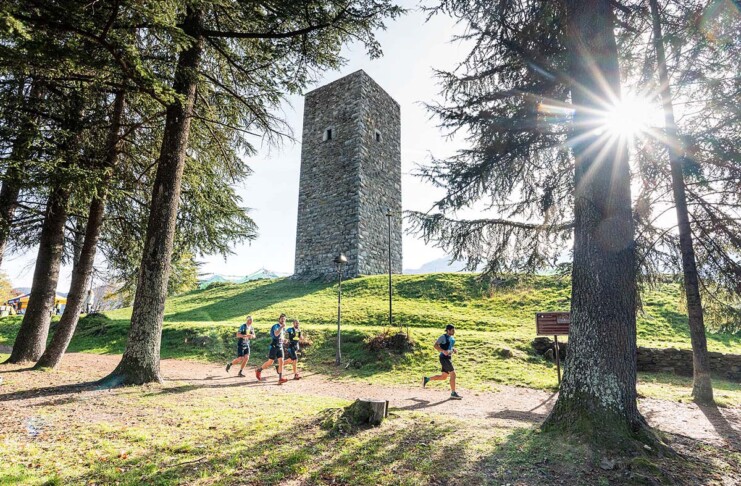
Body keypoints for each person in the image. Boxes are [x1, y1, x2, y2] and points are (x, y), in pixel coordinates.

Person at [423, 324, 462, 399]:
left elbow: (449, 346)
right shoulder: (443, 337)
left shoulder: (452, 338)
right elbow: (435, 345)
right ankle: (453, 393)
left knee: (443, 377)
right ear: (448, 330)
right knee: (453, 374)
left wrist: (453, 349)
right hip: (444, 358)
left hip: (448, 358)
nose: (454, 332)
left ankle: (427, 379)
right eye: (452, 330)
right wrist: (443, 351)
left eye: (454, 330)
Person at [256, 313, 288, 384]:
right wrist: (281, 327)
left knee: (281, 361)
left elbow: (281, 337)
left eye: (284, 319)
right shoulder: (275, 326)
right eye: (282, 319)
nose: (283, 320)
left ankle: (280, 378)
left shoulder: (283, 328)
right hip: (274, 346)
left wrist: (284, 340)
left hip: (280, 346)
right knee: (270, 362)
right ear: (279, 319)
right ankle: (259, 370)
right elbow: (276, 334)